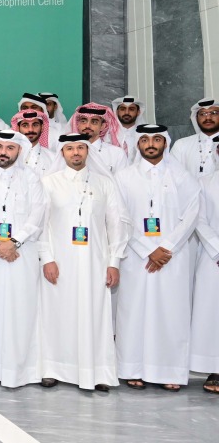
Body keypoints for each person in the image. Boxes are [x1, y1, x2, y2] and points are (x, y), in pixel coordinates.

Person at [38, 133, 130, 392]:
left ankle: (97, 372)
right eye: (69, 148)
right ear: (62, 153)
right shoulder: (48, 182)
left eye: (80, 148)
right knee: (56, 314)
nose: (75, 153)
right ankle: (53, 368)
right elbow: (40, 226)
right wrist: (47, 258)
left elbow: (116, 225)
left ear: (88, 151)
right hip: (59, 262)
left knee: (95, 315)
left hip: (95, 262)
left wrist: (114, 262)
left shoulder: (104, 183)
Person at [114, 124, 201, 391]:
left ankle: (169, 372)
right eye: (144, 140)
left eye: (156, 139)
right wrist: (147, 249)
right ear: (138, 145)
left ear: (165, 143)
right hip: (136, 257)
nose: (150, 144)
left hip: (172, 256)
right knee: (133, 312)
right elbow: (120, 217)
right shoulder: (124, 176)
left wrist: (167, 247)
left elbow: (192, 213)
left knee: (170, 312)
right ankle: (132, 369)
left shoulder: (182, 176)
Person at [0, 129, 48, 388]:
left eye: (10, 148)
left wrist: (14, 242)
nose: (3, 152)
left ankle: (19, 370)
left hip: (21, 254)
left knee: (21, 309)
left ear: (19, 150)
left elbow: (37, 215)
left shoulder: (32, 179)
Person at [193, 147, 219, 394]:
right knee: (213, 314)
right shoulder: (204, 183)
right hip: (214, 258)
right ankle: (216, 369)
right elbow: (199, 219)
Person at [69, 103, 129, 174]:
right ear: (77, 124)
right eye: (83, 121)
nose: (88, 125)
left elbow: (122, 182)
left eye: (94, 122)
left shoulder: (116, 153)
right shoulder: (68, 152)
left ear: (102, 126)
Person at [168, 98, 219, 177]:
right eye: (203, 114)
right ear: (196, 118)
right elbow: (172, 176)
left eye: (214, 113)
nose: (208, 118)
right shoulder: (181, 145)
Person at [10, 109, 62, 176]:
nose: (30, 129)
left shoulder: (53, 158)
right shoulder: (10, 157)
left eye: (35, 125)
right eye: (25, 125)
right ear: (17, 128)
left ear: (42, 127)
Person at [111, 95, 147, 161]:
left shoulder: (145, 136)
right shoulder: (109, 134)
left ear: (138, 112)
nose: (126, 112)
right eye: (122, 109)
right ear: (116, 112)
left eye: (131, 109)